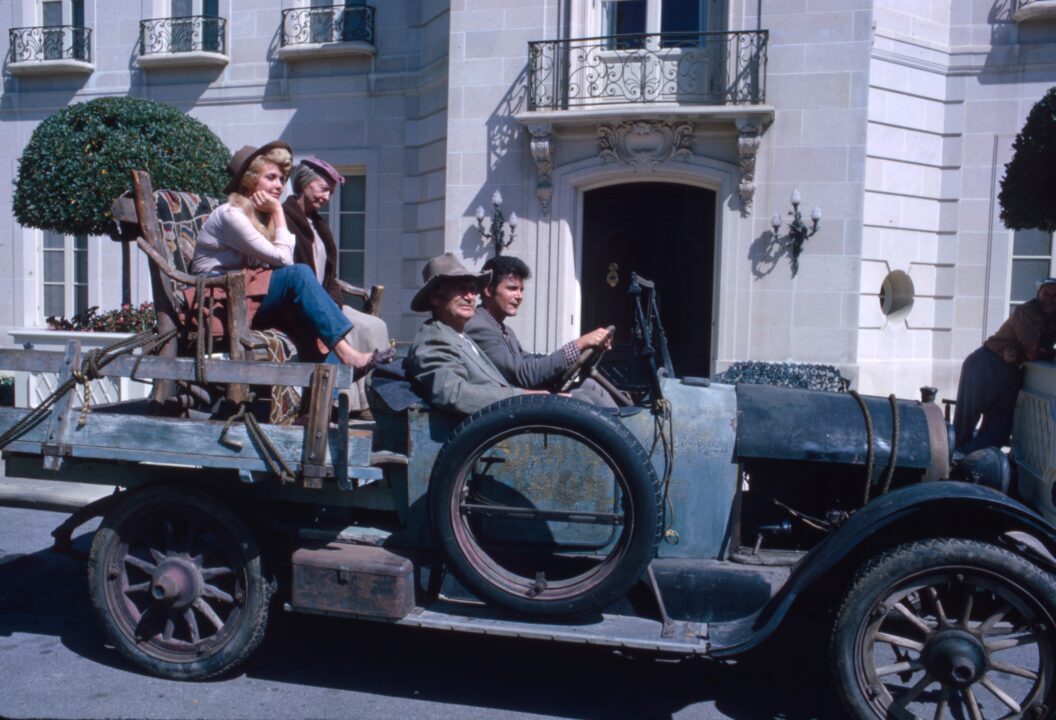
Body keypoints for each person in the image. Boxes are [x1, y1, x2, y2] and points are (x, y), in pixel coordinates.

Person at [190, 141, 380, 376]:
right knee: (298, 275)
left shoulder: (258, 217)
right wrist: (278, 212)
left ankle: (321, 402)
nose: (279, 185)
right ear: (249, 180)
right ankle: (347, 356)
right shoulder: (231, 214)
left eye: (281, 179)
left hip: (247, 295)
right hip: (218, 299)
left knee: (309, 315)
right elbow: (285, 260)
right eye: (271, 177)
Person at [283, 157, 390, 408]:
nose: (327, 197)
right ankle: (333, 404)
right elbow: (285, 268)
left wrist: (334, 304)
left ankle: (368, 401)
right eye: (323, 189)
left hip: (326, 299)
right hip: (299, 302)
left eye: (331, 192)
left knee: (375, 326)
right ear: (305, 183)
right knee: (349, 328)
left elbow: (329, 276)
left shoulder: (319, 225)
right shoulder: (284, 219)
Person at [406, 253, 551, 415]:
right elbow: (453, 394)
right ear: (435, 298)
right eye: (461, 289)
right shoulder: (434, 338)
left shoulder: (460, 336)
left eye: (473, 290)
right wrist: (522, 397)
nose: (470, 297)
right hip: (485, 433)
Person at [465, 255, 617, 407]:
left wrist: (580, 352)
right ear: (489, 291)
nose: (519, 296)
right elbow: (523, 375)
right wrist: (579, 344)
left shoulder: (505, 330)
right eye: (512, 288)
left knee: (589, 385)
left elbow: (528, 360)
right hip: (505, 408)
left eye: (521, 290)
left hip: (523, 399)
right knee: (581, 399)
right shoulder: (478, 326)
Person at [953, 277, 1056, 453]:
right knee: (965, 424)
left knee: (998, 434)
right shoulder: (1028, 311)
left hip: (1012, 373)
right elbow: (1031, 352)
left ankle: (968, 461)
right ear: (1038, 294)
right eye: (1047, 293)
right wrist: (1051, 354)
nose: (1050, 298)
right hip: (987, 364)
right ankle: (952, 464)